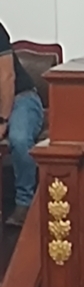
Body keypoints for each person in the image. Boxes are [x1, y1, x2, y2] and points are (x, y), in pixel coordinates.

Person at [0, 23, 44, 226]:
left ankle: (25, 204)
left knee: (19, 138)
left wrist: (2, 120)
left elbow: (7, 77)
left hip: (21, 98)